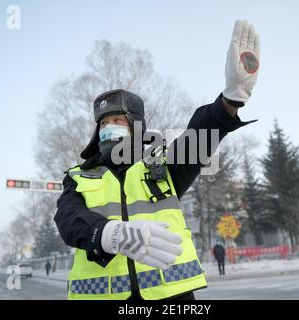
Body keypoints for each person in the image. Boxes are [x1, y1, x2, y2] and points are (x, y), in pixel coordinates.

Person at [55, 20, 260, 300]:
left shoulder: (161, 165)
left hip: (170, 298)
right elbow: (67, 218)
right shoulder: (79, 176)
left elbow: (197, 139)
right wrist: (109, 234)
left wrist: (231, 100)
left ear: (136, 126)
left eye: (117, 120)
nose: (108, 127)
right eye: (103, 123)